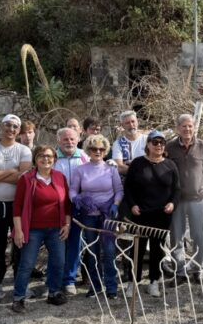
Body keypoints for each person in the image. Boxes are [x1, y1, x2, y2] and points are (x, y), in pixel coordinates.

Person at [0, 114, 33, 304]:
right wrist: (11, 171)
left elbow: (24, 177)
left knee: (20, 244)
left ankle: (21, 283)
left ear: (19, 131)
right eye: (8, 125)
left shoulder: (24, 150)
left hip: (18, 204)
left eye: (15, 127)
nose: (11, 129)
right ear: (1, 127)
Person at [11, 145, 71, 312]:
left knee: (58, 262)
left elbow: (67, 205)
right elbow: (17, 206)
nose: (46, 159)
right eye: (41, 156)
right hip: (33, 229)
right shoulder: (27, 179)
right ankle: (18, 298)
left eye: (49, 156)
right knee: (27, 264)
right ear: (35, 159)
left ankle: (54, 293)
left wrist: (67, 224)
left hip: (56, 228)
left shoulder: (60, 177)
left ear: (55, 159)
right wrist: (19, 230)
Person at [123, 129, 180, 297]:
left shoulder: (170, 165)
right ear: (147, 144)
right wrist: (132, 205)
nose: (159, 145)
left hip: (162, 215)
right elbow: (128, 188)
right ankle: (133, 281)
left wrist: (172, 204)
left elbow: (177, 190)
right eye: (155, 142)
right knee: (137, 249)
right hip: (140, 214)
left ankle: (154, 281)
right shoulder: (138, 163)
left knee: (157, 249)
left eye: (162, 142)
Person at [70, 134, 123, 298]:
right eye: (94, 149)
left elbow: (119, 190)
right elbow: (72, 189)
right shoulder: (80, 170)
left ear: (105, 150)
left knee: (108, 251)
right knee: (92, 252)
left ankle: (112, 288)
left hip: (108, 215)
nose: (98, 151)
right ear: (88, 150)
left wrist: (115, 204)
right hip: (88, 215)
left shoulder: (111, 169)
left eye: (101, 149)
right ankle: (95, 286)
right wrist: (77, 199)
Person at [165, 114, 203, 284]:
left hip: (198, 200)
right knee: (176, 237)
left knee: (199, 236)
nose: (187, 129)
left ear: (194, 128)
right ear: (178, 128)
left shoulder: (202, 147)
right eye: (184, 126)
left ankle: (197, 269)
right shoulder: (170, 148)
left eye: (190, 126)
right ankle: (180, 272)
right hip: (177, 200)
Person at [54, 127, 89, 295]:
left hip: (77, 205)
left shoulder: (84, 156)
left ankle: (69, 280)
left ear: (78, 139)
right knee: (56, 243)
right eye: (65, 139)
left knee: (75, 243)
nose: (69, 142)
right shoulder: (52, 157)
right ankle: (55, 279)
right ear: (58, 141)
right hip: (55, 205)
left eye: (72, 139)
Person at [112, 110, 148, 174]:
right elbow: (119, 167)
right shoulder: (118, 144)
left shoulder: (147, 140)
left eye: (133, 121)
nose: (131, 125)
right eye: (127, 123)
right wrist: (140, 173)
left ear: (137, 122)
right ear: (122, 126)